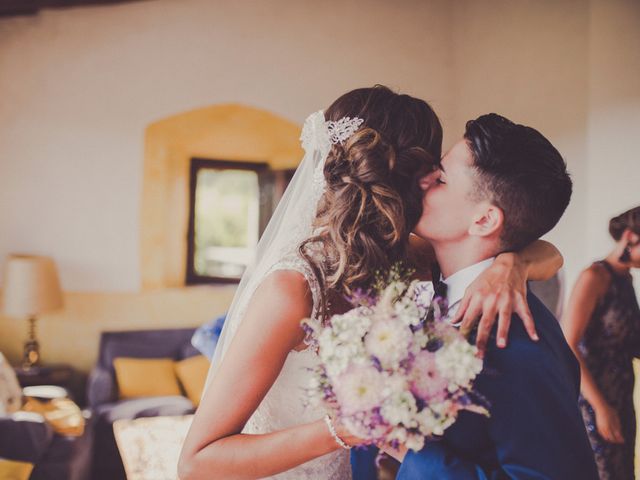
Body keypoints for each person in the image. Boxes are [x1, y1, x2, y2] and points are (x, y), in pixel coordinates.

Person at [178, 88, 562, 480]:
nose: (432, 179)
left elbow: (537, 244)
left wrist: (512, 265)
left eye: (441, 175)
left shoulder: (412, 255)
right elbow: (197, 463)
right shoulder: (293, 288)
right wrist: (341, 430)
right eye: (431, 169)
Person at [353, 113, 598, 479]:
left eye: (439, 178)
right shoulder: (429, 288)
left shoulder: (514, 341)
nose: (421, 181)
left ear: (483, 220)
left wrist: (413, 453)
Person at [562, 206, 640, 480]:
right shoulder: (593, 277)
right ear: (630, 236)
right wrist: (601, 408)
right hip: (592, 400)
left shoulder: (625, 279)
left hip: (620, 396)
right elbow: (568, 344)